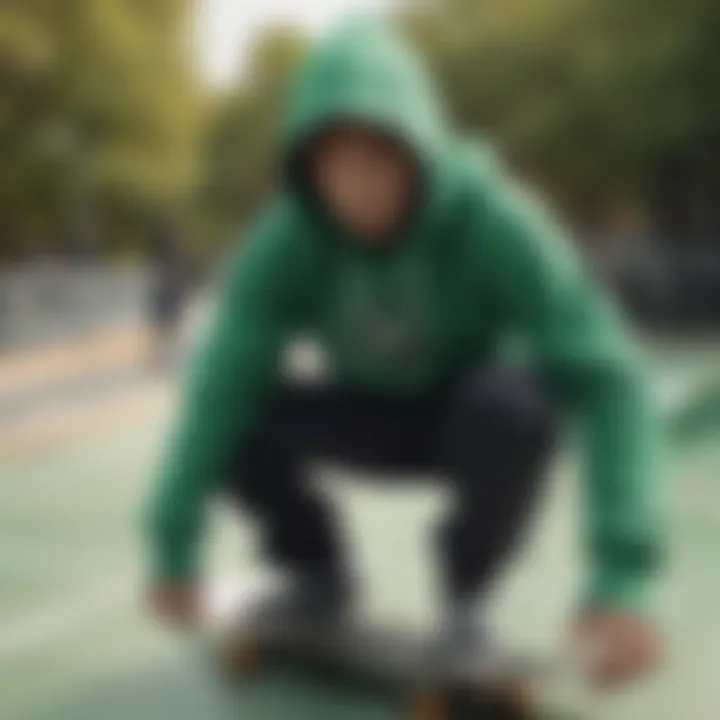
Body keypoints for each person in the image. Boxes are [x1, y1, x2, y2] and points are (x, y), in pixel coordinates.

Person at [144, 19, 664, 687]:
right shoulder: (286, 241)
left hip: (465, 418)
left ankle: (466, 597)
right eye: (337, 166)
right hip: (362, 411)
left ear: (421, 150)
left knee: (519, 406)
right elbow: (218, 387)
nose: (359, 188)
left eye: (380, 160)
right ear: (309, 170)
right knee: (242, 409)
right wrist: (172, 546)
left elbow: (610, 381)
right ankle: (315, 570)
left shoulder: (497, 223)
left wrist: (622, 579)